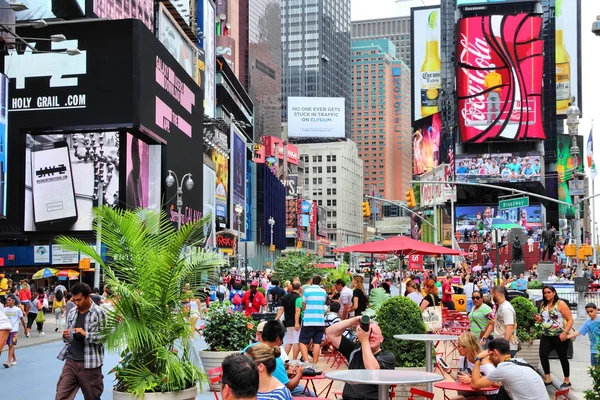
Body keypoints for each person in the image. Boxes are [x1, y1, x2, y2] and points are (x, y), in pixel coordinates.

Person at [56, 282, 107, 400]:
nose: (76, 303)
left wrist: (86, 334)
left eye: (79, 300)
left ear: (88, 296)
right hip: (71, 361)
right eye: (74, 300)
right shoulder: (73, 312)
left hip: (90, 363)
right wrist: (66, 335)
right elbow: (68, 337)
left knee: (92, 397)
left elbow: (104, 337)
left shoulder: (99, 313)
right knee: (61, 395)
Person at [325, 316, 396, 400]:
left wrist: (365, 340)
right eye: (369, 332)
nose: (371, 336)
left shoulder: (388, 357)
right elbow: (330, 333)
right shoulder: (354, 350)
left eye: (375, 333)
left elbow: (373, 370)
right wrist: (354, 320)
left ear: (381, 339)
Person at [471, 338, 549, 400]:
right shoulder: (520, 361)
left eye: (490, 355)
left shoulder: (503, 368)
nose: (489, 359)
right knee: (503, 390)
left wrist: (478, 359)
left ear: (495, 353)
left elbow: (475, 384)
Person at [242, 320, 305, 395]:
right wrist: (299, 373)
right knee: (308, 393)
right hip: (265, 391)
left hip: (247, 389)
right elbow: (288, 386)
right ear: (278, 339)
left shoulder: (247, 349)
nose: (282, 343)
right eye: (282, 340)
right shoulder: (274, 356)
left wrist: (285, 372)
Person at [535, 284, 573, 388]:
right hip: (546, 335)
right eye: (545, 292)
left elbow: (570, 320)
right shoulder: (543, 304)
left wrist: (565, 332)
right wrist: (539, 319)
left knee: (562, 357)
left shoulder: (560, 304)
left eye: (549, 292)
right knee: (543, 355)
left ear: (554, 293)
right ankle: (548, 379)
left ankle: (567, 380)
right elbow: (545, 318)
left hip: (559, 335)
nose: (546, 294)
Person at [447, 332, 499, 400]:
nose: (457, 348)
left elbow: (498, 383)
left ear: (467, 347)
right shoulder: (463, 359)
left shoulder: (485, 364)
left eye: (459, 346)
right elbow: (459, 380)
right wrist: (449, 371)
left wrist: (472, 380)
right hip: (470, 393)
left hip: (489, 396)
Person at [481, 286, 519, 357]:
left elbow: (509, 328)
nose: (492, 297)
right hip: (501, 346)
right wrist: (484, 337)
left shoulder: (506, 308)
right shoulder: (500, 307)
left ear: (496, 294)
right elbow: (494, 324)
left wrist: (503, 347)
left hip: (507, 348)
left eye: (492, 295)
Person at [299, 275, 327, 365]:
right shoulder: (323, 292)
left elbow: (303, 305)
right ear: (320, 282)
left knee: (302, 341)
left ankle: (306, 361)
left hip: (308, 321)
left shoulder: (307, 291)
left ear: (312, 281)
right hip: (320, 320)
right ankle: (315, 364)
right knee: (317, 343)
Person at [275, 282, 302, 360]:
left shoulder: (285, 297)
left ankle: (284, 359)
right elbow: (297, 311)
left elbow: (281, 309)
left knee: (289, 341)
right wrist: (297, 322)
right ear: (299, 288)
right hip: (295, 322)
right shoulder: (298, 298)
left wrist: (276, 319)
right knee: (296, 341)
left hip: (287, 322)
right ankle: (294, 360)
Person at [1, 295, 26, 368]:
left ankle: (8, 361)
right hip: (6, 329)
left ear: (13, 301)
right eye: (7, 300)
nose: (7, 301)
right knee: (8, 345)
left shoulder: (17, 310)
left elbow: (22, 320)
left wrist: (25, 329)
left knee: (11, 345)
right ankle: (14, 358)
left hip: (14, 330)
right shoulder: (4, 309)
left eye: (9, 300)